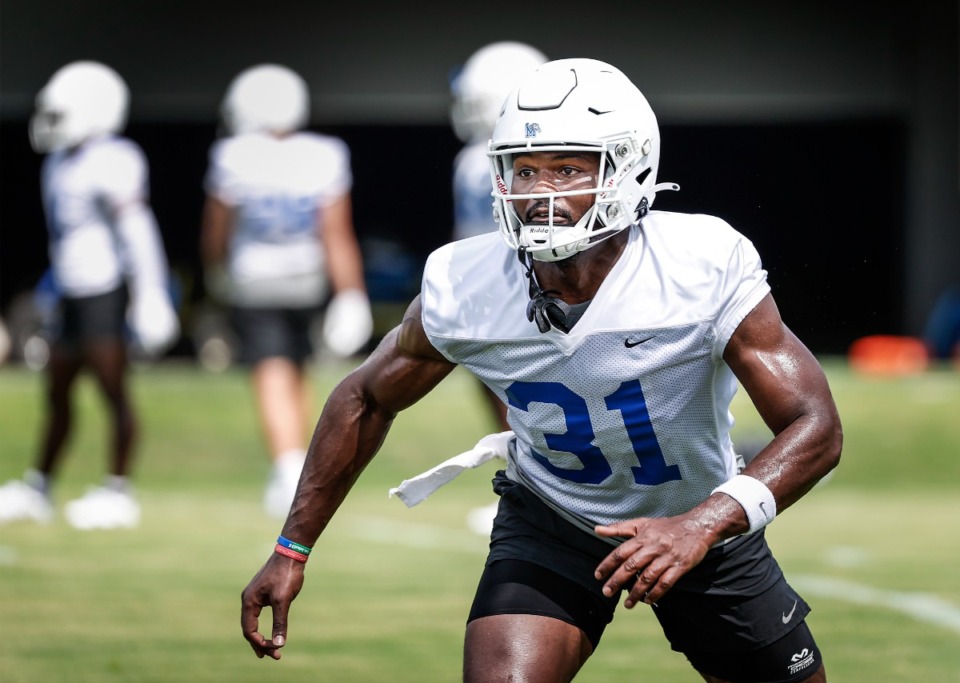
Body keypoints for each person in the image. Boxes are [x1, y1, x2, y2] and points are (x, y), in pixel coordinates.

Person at [240, 58, 842, 682]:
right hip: (553, 517)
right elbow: (365, 399)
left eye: (567, 169)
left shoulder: (698, 265)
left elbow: (816, 426)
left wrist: (703, 524)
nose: (540, 193)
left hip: (698, 518)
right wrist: (291, 548)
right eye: (524, 170)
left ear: (629, 168)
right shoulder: (468, 284)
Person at [0, 61, 180, 530]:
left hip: (104, 290)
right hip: (70, 292)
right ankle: (39, 486)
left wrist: (150, 293)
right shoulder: (58, 162)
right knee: (57, 390)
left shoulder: (114, 159)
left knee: (112, 389)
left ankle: (119, 489)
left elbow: (136, 230)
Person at [200, 64, 372, 519]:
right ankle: (297, 461)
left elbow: (217, 227)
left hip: (255, 276)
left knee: (271, 369)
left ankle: (288, 466)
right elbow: (336, 232)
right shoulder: (324, 153)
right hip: (308, 275)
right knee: (296, 368)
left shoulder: (233, 155)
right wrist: (350, 292)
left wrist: (214, 269)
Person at [450, 42, 548, 535]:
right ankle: (528, 487)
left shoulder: (479, 160)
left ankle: (536, 490)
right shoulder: (482, 160)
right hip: (515, 289)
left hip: (507, 293)